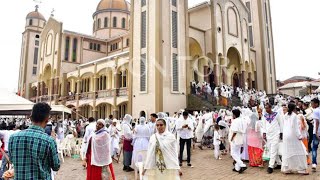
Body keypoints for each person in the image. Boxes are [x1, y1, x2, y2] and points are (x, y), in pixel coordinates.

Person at [8, 103, 60, 179]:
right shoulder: (49, 141)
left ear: (31, 118)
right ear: (47, 120)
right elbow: (56, 166)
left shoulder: (13, 138)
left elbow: (11, 160)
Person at [281, 103, 309, 175]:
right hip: (293, 135)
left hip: (286, 136)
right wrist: (299, 136)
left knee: (287, 151)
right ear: (294, 108)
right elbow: (295, 128)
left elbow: (284, 126)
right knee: (300, 151)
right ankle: (301, 169)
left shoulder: (285, 115)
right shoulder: (294, 116)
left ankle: (287, 168)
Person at [261, 103, 283, 174]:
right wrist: (264, 133)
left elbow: (281, 124)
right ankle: (279, 163)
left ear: (271, 108)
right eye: (265, 108)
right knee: (272, 150)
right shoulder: (264, 116)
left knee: (273, 149)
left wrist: (281, 133)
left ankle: (270, 166)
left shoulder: (277, 114)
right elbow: (263, 125)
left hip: (276, 134)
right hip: (268, 135)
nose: (266, 109)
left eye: (267, 108)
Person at [229, 109, 247, 173]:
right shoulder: (242, 120)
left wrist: (231, 138)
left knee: (233, 153)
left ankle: (242, 165)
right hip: (241, 138)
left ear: (234, 114)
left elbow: (235, 131)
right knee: (237, 153)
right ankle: (237, 168)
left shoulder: (235, 121)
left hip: (235, 139)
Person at [311, 98, 320, 171]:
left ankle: (314, 163)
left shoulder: (315, 111)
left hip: (316, 132)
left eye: (312, 103)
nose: (311, 105)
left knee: (314, 148)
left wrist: (316, 132)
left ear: (316, 104)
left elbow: (317, 122)